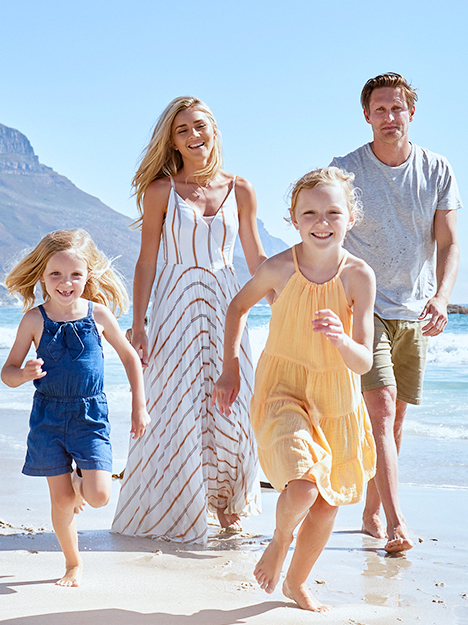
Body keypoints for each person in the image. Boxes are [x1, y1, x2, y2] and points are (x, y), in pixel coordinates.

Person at [213, 167, 377, 613]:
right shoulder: (279, 268)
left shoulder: (358, 276)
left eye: (332, 212)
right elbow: (236, 308)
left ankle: (297, 582)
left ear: (350, 217)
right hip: (284, 389)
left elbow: (364, 359)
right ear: (294, 218)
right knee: (303, 487)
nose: (321, 222)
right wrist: (230, 367)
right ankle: (280, 540)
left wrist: (342, 340)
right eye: (310, 213)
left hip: (336, 398)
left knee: (327, 504)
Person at [112, 96, 267, 543]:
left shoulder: (241, 189)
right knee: (177, 405)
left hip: (225, 304)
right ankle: (182, 503)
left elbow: (255, 255)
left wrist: (284, 295)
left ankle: (228, 502)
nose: (194, 135)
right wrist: (138, 323)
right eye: (183, 130)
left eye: (200, 126)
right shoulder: (160, 191)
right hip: (175, 304)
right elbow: (146, 262)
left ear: (214, 130)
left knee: (235, 405)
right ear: (173, 142)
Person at [331, 72, 460, 552]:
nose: (389, 117)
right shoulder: (345, 171)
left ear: (411, 113)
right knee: (382, 414)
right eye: (380, 110)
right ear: (367, 116)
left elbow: (449, 244)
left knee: (395, 420)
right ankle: (397, 521)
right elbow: (324, 231)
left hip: (413, 311)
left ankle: (370, 512)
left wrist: (442, 297)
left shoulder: (437, 169)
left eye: (397, 108)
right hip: (364, 308)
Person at [2, 229, 148, 587]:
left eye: (75, 275)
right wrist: (24, 374)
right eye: (56, 274)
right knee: (62, 501)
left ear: (88, 276)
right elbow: (7, 372)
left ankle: (78, 478)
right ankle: (73, 564)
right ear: (41, 276)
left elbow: (130, 357)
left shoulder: (97, 314)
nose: (65, 283)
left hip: (90, 416)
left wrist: (138, 407)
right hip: (48, 418)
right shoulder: (34, 320)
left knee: (98, 495)